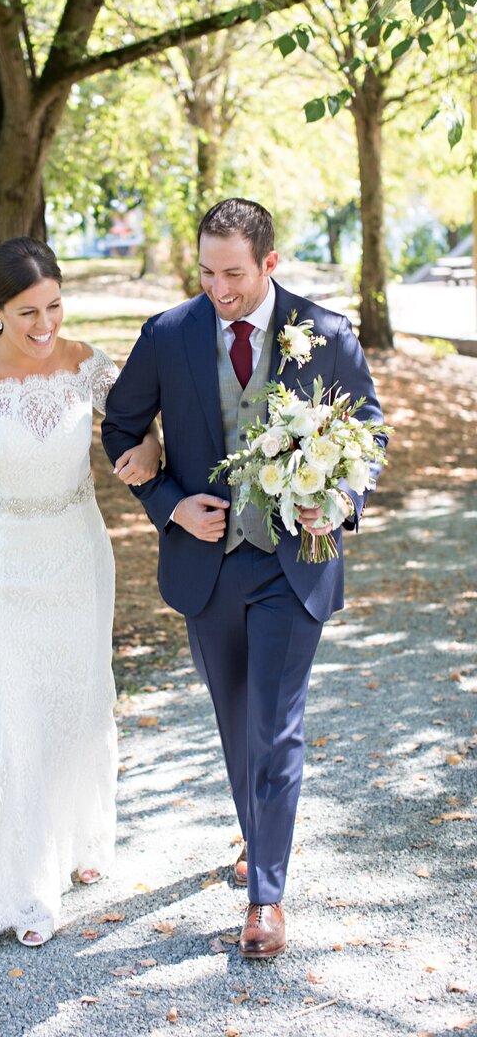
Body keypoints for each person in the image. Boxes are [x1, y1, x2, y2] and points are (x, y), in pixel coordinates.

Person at [102, 198, 385, 959]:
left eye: (233, 273)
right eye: (205, 271)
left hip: (293, 564)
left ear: (269, 263)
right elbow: (120, 427)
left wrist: (341, 501)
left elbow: (371, 427)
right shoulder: (168, 335)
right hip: (208, 566)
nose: (218, 289)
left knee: (275, 722)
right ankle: (259, 837)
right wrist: (167, 504)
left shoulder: (324, 334)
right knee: (236, 723)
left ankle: (265, 896)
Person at [0, 237, 161, 949]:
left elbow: (138, 429)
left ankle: (75, 838)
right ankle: (17, 885)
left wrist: (152, 452)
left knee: (71, 700)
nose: (44, 324)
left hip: (77, 557)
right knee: (7, 713)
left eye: (53, 306)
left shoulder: (89, 366)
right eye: (26, 313)